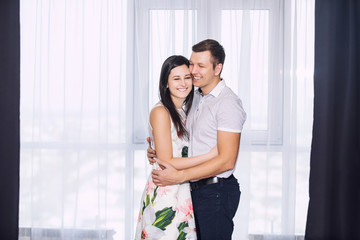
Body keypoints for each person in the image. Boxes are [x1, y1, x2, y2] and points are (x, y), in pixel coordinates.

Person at [149, 39, 247, 239]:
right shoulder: (195, 98)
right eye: (192, 64)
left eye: (201, 65)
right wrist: (156, 149)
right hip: (190, 192)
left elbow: (227, 160)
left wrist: (180, 176)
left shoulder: (227, 103)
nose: (193, 71)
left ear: (217, 68)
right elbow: (181, 139)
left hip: (215, 192)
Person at [135, 55, 218, 240]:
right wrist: (212, 155)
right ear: (165, 83)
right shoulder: (161, 111)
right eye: (176, 78)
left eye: (187, 77)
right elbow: (167, 161)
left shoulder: (183, 110)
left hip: (181, 188)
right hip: (166, 191)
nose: (183, 83)